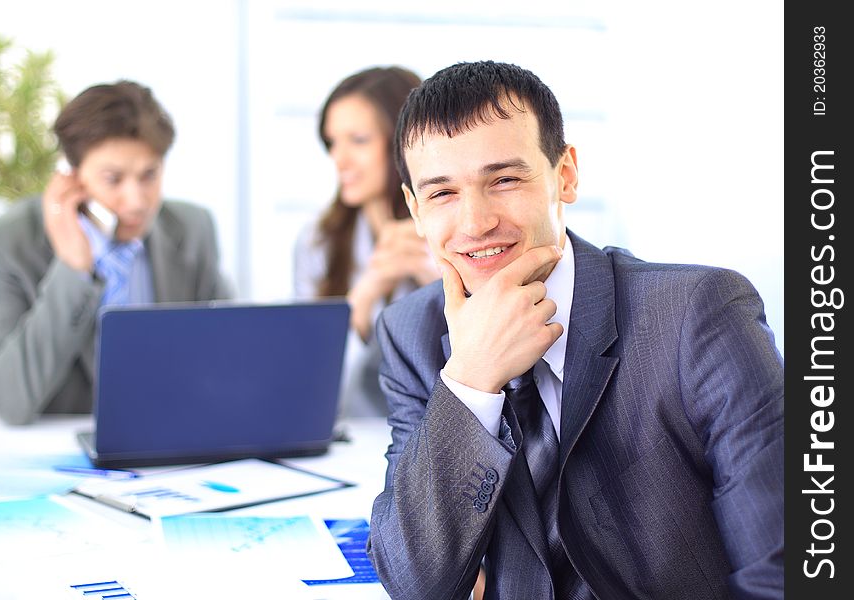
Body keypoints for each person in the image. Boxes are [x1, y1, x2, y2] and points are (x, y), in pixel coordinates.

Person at [367, 61, 784, 599]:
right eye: (442, 193)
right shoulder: (412, 334)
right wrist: (471, 379)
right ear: (414, 209)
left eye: (505, 179)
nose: (475, 223)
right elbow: (414, 583)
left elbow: (781, 568)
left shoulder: (698, 313)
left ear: (565, 175)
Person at [0, 81, 230, 426]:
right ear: (70, 177)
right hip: (46, 455)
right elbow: (8, 401)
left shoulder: (193, 228)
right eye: (113, 179)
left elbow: (224, 357)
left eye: (149, 175)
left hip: (162, 445)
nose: (136, 202)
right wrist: (74, 270)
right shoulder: (0, 246)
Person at [294, 66, 439, 417]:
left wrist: (439, 282)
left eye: (358, 140)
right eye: (332, 142)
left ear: (404, 143)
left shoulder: (452, 230)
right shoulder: (318, 242)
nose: (338, 159)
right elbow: (305, 391)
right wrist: (367, 291)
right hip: (351, 440)